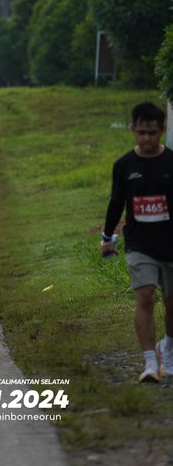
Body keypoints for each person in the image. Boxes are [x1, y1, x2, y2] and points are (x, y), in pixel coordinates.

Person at [101, 101, 173, 383]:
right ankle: (149, 363)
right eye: (141, 132)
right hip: (139, 244)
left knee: (171, 304)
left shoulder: (171, 162)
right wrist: (107, 237)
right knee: (145, 297)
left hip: (170, 243)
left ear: (162, 130)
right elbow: (116, 202)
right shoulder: (124, 165)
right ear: (132, 129)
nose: (146, 138)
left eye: (152, 133)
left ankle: (167, 350)